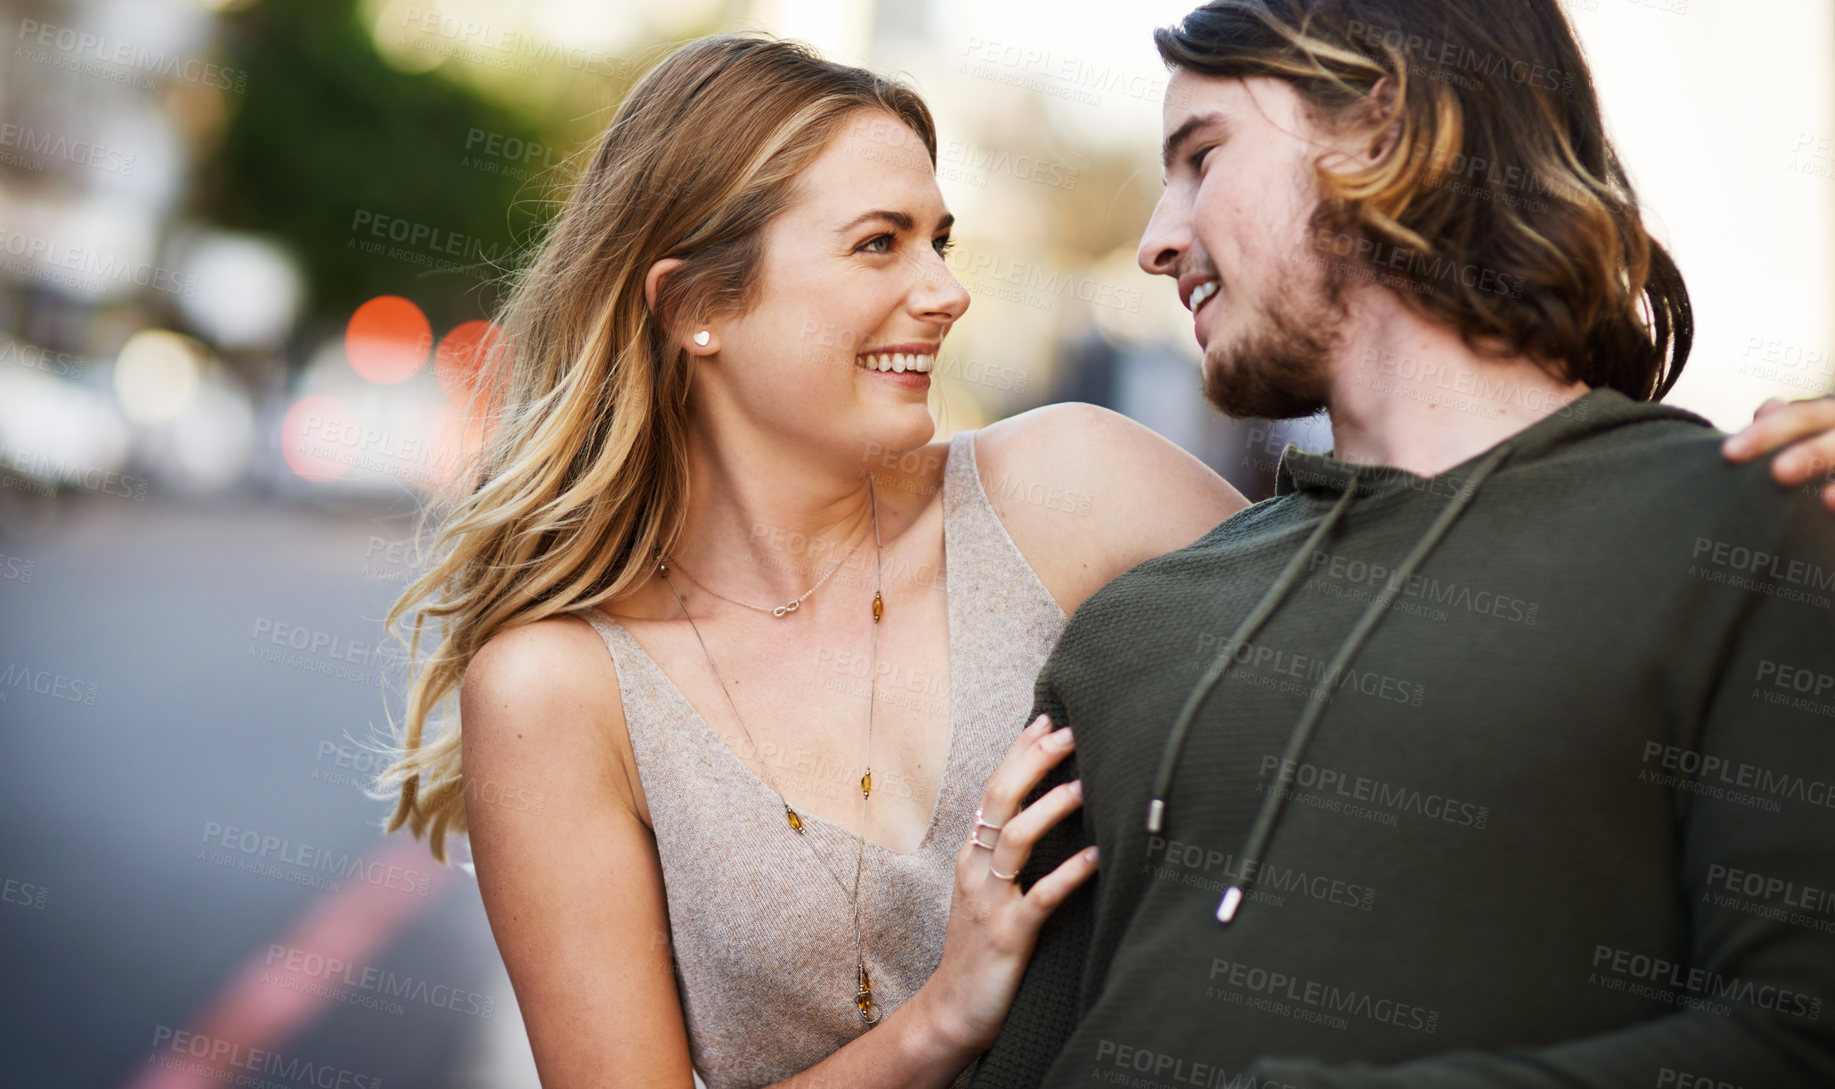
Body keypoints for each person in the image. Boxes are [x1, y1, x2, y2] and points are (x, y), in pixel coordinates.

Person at [372, 24, 1835, 1089]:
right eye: (878, 243)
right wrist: (944, 1013)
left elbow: (1426, 610)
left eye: (942, 238)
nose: (943, 292)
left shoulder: (1068, 491)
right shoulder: (560, 688)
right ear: (696, 306)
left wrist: (1741, 494)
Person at [966, 2, 1835, 1087]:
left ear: (1382, 132)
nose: (1155, 239)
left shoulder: (1743, 533)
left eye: (1201, 156)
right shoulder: (1130, 628)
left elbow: (1797, 1038)